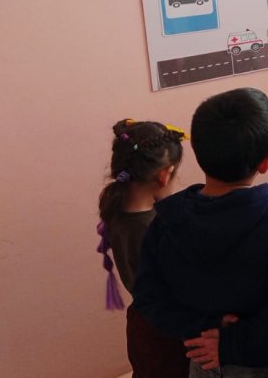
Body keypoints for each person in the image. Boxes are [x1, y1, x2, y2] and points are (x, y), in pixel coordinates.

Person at [132, 88, 268, 377]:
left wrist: (205, 329)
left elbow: (148, 297)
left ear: (197, 154)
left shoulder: (166, 223)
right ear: (265, 162)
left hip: (205, 359)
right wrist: (233, 341)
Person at [96, 119, 188, 378]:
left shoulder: (114, 205)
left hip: (141, 323)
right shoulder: (157, 229)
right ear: (165, 175)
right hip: (169, 333)